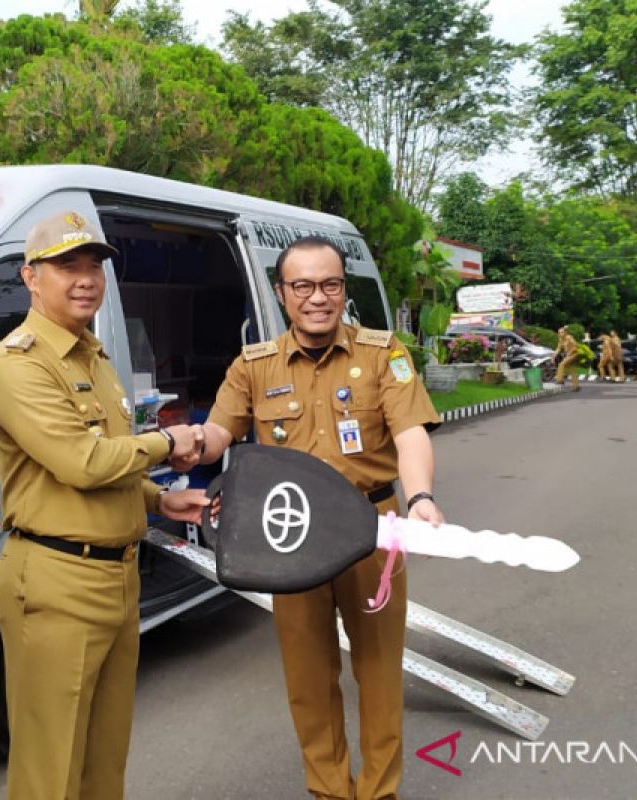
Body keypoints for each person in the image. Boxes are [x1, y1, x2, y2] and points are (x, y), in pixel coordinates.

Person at [183, 236, 443, 800]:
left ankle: (379, 792)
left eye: (329, 285)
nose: (317, 298)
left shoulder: (382, 353)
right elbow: (219, 436)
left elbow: (410, 433)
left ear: (343, 290)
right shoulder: (254, 366)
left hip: (372, 531)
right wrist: (181, 442)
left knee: (377, 672)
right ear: (282, 294)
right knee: (308, 676)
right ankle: (329, 791)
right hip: (287, 537)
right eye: (302, 286)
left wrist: (419, 497)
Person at [0, 210, 210, 800]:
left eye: (93, 266)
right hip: (56, 581)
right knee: (49, 772)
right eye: (67, 266)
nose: (85, 279)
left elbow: (111, 463)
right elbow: (82, 462)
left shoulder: (93, 356)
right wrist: (169, 442)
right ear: (31, 277)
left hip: (117, 576)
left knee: (104, 763)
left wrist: (162, 497)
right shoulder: (19, 363)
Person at [555, 326, 581, 391]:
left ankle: (560, 380)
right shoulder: (561, 340)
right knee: (572, 370)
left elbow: (575, 346)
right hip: (569, 355)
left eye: (562, 332)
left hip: (573, 354)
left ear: (565, 332)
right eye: (559, 332)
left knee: (561, 364)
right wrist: (553, 356)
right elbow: (558, 349)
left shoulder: (569, 337)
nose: (560, 334)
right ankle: (576, 386)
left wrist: (570, 352)